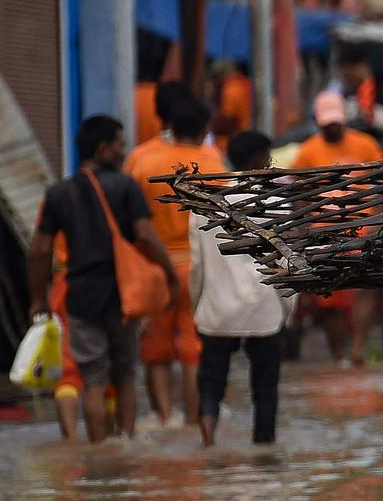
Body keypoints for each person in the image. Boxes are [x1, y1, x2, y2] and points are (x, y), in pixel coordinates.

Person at [27, 115, 180, 443]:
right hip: (123, 296)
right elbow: (146, 235)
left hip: (81, 297)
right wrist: (168, 272)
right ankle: (124, 447)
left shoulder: (58, 194)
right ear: (103, 149)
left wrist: (38, 297)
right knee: (124, 376)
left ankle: (98, 455)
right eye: (119, 144)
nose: (123, 152)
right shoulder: (125, 187)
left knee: (93, 381)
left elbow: (39, 250)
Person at [124, 92, 227, 430]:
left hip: (153, 269)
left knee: (156, 350)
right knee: (194, 349)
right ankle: (195, 424)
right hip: (201, 269)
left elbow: (128, 218)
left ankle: (165, 419)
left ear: (168, 123)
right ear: (203, 129)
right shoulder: (214, 162)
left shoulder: (141, 159)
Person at [190, 131, 293, 446]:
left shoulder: (205, 207)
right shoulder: (276, 203)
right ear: (255, 160)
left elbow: (197, 267)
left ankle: (208, 441)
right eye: (268, 157)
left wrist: (197, 306)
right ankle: (264, 451)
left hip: (217, 310)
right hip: (264, 308)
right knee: (265, 388)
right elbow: (287, 264)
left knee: (211, 383)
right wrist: (288, 310)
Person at [294, 93, 383, 365]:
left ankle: (357, 348)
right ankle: (337, 354)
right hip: (325, 232)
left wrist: (376, 222)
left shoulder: (366, 146)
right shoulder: (308, 152)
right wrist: (306, 226)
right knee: (330, 299)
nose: (333, 127)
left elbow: (380, 188)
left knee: (364, 290)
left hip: (361, 228)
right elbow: (299, 194)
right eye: (327, 123)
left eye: (336, 122)